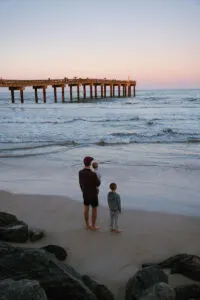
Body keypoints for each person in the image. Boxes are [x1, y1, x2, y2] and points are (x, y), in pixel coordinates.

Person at [79, 156, 101, 230]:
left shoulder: (80, 172)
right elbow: (98, 183)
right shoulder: (93, 174)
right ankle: (93, 225)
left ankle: (87, 225)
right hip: (93, 194)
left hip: (85, 193)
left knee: (86, 209)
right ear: (90, 163)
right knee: (94, 209)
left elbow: (80, 183)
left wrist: (83, 190)